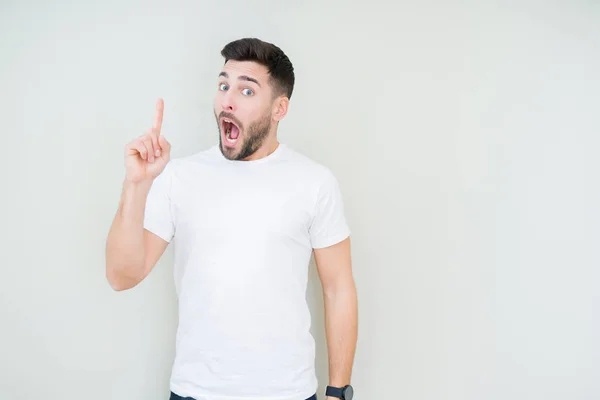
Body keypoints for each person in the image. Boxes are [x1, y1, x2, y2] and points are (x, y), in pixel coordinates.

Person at [105, 38, 358, 400]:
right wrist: (136, 185)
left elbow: (338, 288)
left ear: (279, 108)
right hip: (195, 392)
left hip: (288, 393)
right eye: (223, 85)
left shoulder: (315, 182)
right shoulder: (180, 177)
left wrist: (338, 391)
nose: (228, 99)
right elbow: (121, 275)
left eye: (246, 90)